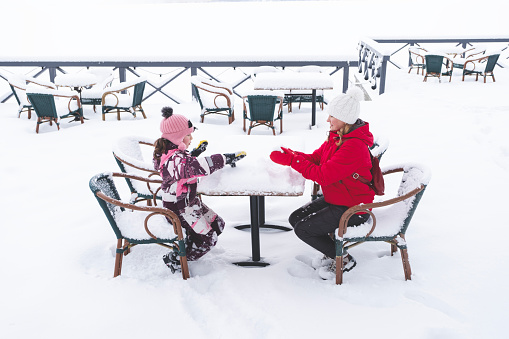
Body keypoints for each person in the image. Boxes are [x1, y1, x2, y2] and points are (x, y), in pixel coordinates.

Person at [269, 87, 374, 277]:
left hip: (354, 208)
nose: (327, 120)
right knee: (295, 218)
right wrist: (293, 154)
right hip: (339, 197)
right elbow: (316, 159)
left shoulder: (353, 146)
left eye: (332, 116)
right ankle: (331, 251)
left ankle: (343, 258)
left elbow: (323, 175)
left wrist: (293, 161)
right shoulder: (338, 137)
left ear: (345, 119)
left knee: (303, 230)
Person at [153, 107, 246, 273]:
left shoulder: (174, 153)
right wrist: (225, 158)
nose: (191, 137)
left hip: (188, 202)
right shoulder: (174, 159)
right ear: (177, 137)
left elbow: (185, 166)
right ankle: (177, 258)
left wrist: (193, 153)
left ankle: (189, 243)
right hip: (179, 207)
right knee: (208, 239)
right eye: (188, 135)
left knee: (218, 224)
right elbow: (196, 167)